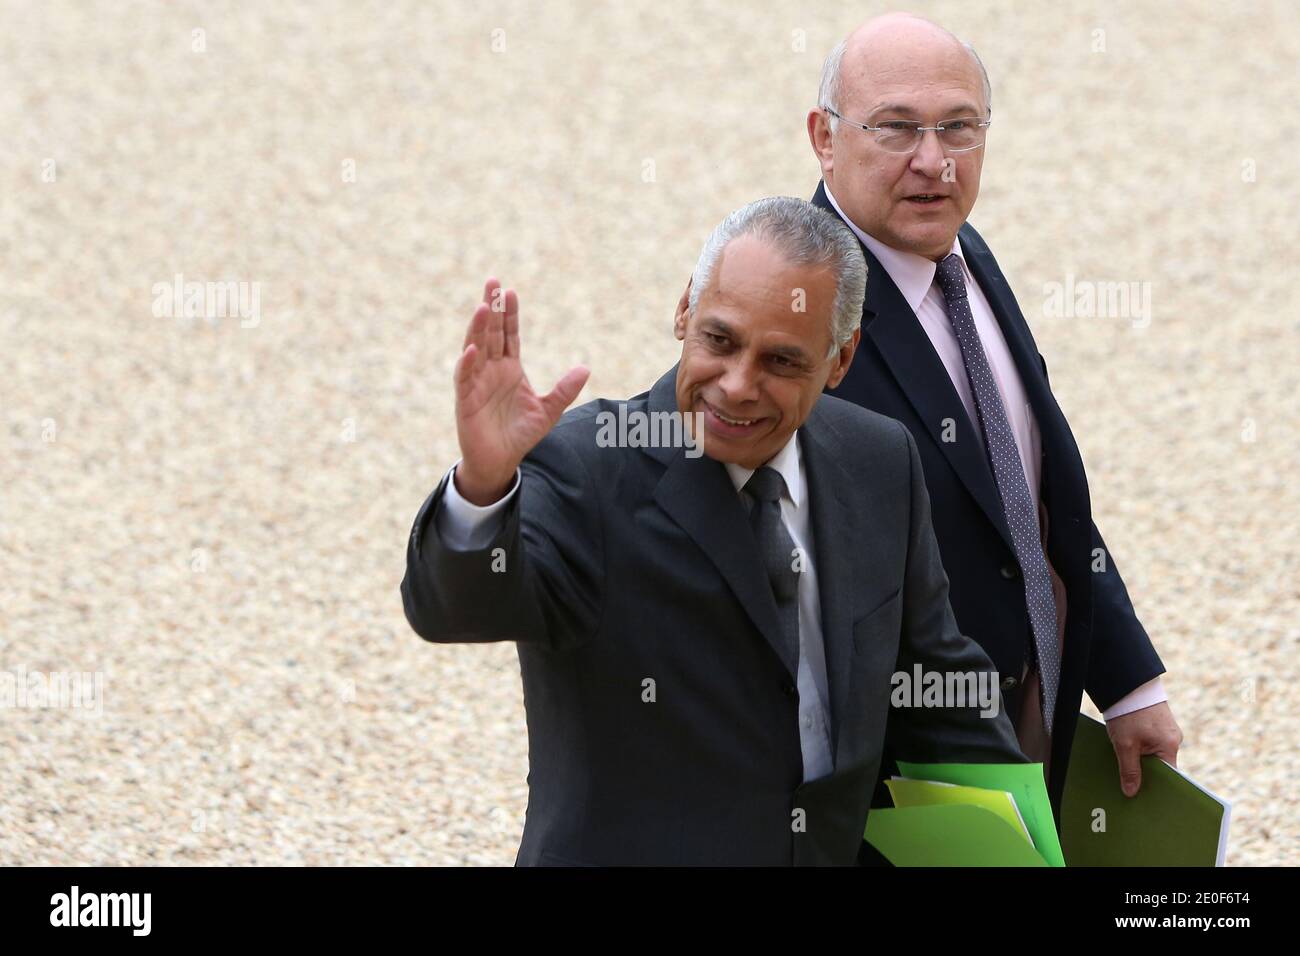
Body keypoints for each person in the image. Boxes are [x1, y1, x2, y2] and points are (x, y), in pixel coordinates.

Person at [401, 197, 1027, 865]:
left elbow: (942, 691)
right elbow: (455, 610)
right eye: (720, 341)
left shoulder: (881, 462)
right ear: (684, 311)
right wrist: (484, 486)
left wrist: (1023, 852)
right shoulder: (584, 467)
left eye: (782, 362)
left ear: (840, 361)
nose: (737, 385)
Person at [802, 13, 1182, 815]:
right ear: (824, 138)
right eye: (897, 128)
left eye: (959, 128)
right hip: (901, 799)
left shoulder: (966, 258)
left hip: (1029, 754)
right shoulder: (795, 307)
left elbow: (1029, 495)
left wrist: (1126, 683)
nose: (933, 161)